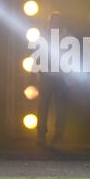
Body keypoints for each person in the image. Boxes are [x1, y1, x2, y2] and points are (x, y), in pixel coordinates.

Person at [37, 11, 68, 147]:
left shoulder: (67, 36)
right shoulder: (44, 36)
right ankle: (41, 135)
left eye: (57, 21)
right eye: (53, 21)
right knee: (43, 106)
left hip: (61, 77)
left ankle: (58, 136)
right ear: (50, 22)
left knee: (61, 107)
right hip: (47, 76)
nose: (55, 23)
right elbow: (37, 54)